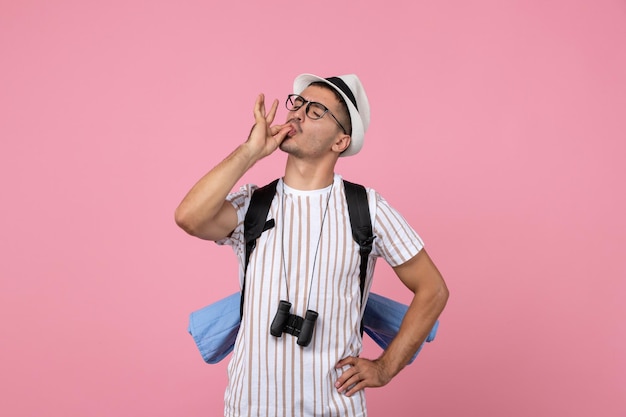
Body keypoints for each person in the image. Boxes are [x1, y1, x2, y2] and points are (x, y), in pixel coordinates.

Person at [175, 73, 449, 417]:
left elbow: (433, 290)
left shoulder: (367, 209)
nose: (298, 113)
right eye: (298, 103)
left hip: (333, 408)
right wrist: (250, 152)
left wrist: (385, 367)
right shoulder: (253, 205)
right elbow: (189, 217)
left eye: (316, 110)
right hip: (249, 407)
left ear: (340, 141)